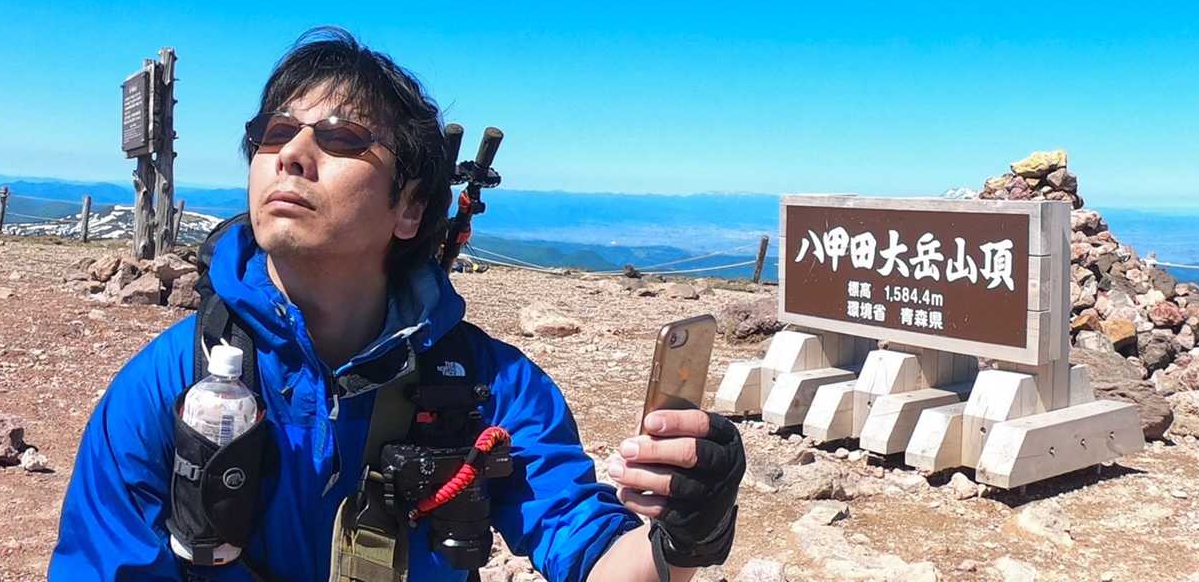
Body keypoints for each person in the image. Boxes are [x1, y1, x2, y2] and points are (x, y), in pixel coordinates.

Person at [51, 28, 744, 581]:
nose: (291, 154)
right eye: (274, 132)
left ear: (410, 208)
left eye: (341, 138)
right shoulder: (170, 381)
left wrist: (686, 534)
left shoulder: (491, 388)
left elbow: (594, 555)